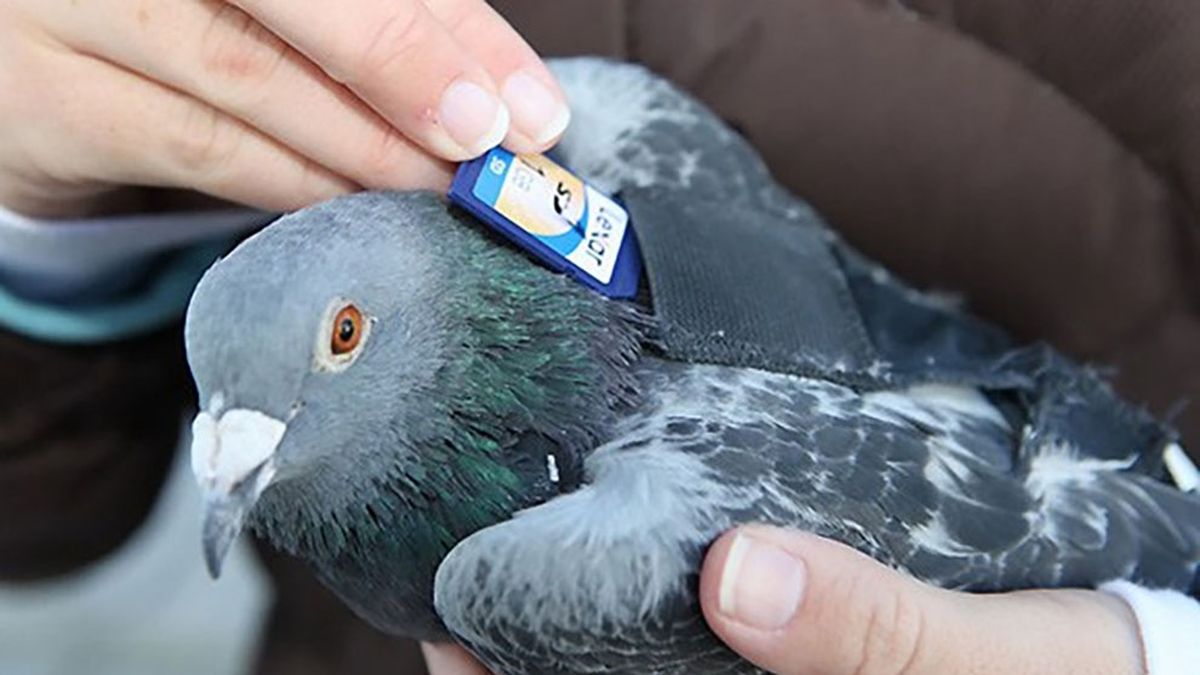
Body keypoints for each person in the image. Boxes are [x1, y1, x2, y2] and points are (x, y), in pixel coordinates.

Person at [0, 2, 1196, 674]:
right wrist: (28, 207)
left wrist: (1164, 649)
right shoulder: (571, 124)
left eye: (348, 334)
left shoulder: (568, 570)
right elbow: (50, 521)